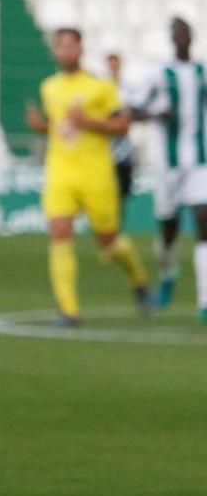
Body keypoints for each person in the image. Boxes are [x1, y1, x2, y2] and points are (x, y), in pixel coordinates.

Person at [25, 27, 150, 327]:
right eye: (59, 46)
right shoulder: (49, 87)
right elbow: (61, 129)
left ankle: (138, 279)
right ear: (54, 51)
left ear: (80, 49)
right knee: (59, 230)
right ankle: (68, 310)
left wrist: (89, 121)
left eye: (70, 46)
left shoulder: (100, 87)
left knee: (109, 243)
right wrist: (42, 127)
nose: (64, 51)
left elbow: (122, 126)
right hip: (60, 172)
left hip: (96, 174)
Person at [133, 17, 207, 319]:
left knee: (204, 222)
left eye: (185, 32)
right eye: (176, 32)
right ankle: (167, 274)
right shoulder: (158, 74)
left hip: (200, 163)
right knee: (168, 230)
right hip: (168, 165)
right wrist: (155, 113)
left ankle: (205, 302)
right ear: (171, 38)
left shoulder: (202, 72)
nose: (182, 37)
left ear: (192, 36)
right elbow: (133, 110)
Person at [105, 53, 138, 229]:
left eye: (115, 64)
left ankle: (117, 224)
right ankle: (109, 225)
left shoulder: (127, 89)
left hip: (123, 144)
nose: (113, 68)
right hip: (107, 143)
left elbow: (131, 112)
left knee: (123, 190)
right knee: (108, 187)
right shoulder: (103, 88)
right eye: (110, 65)